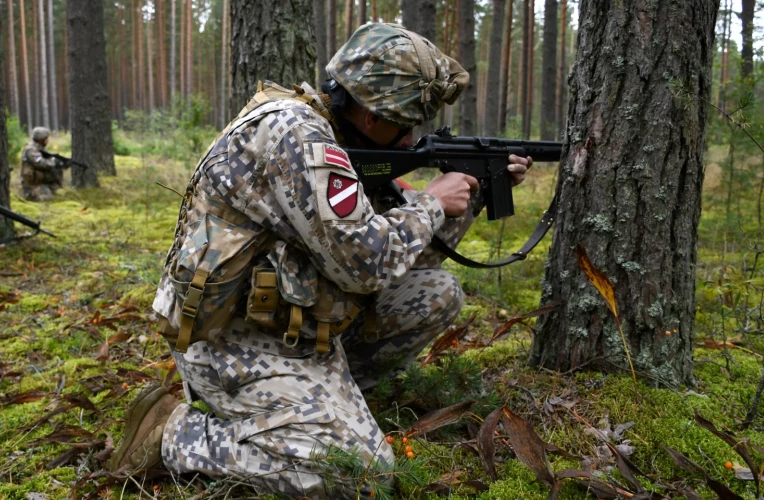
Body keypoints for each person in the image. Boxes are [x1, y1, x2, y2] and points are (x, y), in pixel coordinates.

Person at [106, 23, 534, 497]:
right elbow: (366, 264)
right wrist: (431, 202)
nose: (413, 139)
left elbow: (409, 261)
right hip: (232, 339)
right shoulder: (300, 136)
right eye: (407, 123)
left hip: (299, 324)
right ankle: (174, 433)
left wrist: (469, 194)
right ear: (373, 117)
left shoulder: (336, 136)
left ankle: (323, 408)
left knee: (437, 293)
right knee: (357, 473)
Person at [21, 127, 63, 201]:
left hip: (40, 182)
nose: (48, 140)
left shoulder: (39, 148)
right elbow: (40, 163)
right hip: (32, 185)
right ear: (41, 139)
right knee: (47, 199)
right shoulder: (31, 150)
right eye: (46, 138)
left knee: (58, 195)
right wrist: (53, 162)